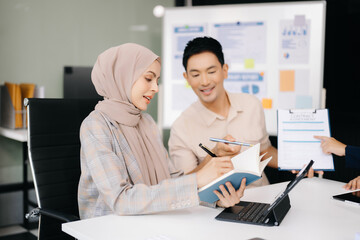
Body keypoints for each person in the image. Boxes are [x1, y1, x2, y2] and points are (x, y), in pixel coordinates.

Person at [77, 43, 246, 219]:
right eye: (148, 79)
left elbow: (171, 180)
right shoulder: (96, 126)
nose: (156, 88)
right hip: (108, 228)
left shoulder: (147, 123)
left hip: (152, 220)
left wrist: (215, 199)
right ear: (123, 76)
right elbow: (120, 200)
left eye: (157, 81)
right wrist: (197, 180)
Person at [169, 36, 317, 186]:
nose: (205, 81)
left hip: (264, 199)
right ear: (186, 78)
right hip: (217, 208)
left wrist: (295, 162)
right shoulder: (181, 128)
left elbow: (263, 150)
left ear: (224, 70)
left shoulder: (251, 104)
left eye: (211, 71)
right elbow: (182, 185)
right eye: (195, 75)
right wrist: (213, 157)